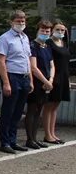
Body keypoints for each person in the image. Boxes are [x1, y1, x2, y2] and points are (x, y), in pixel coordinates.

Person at [0, 10, 34, 154]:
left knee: (18, 112)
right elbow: (1, 61)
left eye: (23, 20)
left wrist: (30, 79)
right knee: (8, 111)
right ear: (11, 22)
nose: (21, 22)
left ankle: (13, 140)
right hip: (12, 76)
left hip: (24, 76)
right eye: (18, 20)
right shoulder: (5, 38)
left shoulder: (25, 38)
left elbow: (27, 59)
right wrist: (6, 82)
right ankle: (5, 142)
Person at [24, 21, 55, 149]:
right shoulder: (33, 46)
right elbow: (33, 67)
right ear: (38, 30)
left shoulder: (47, 46)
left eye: (47, 31)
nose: (45, 33)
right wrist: (45, 82)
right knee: (32, 110)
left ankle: (35, 138)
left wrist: (51, 80)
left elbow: (52, 65)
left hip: (47, 84)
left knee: (39, 111)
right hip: (37, 83)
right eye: (42, 30)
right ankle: (29, 139)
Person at [43, 21, 70, 144]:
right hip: (54, 77)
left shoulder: (64, 43)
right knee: (49, 106)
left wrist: (68, 80)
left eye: (62, 30)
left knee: (55, 107)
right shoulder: (49, 43)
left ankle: (53, 133)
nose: (60, 32)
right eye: (58, 29)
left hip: (64, 77)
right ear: (53, 30)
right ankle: (47, 134)